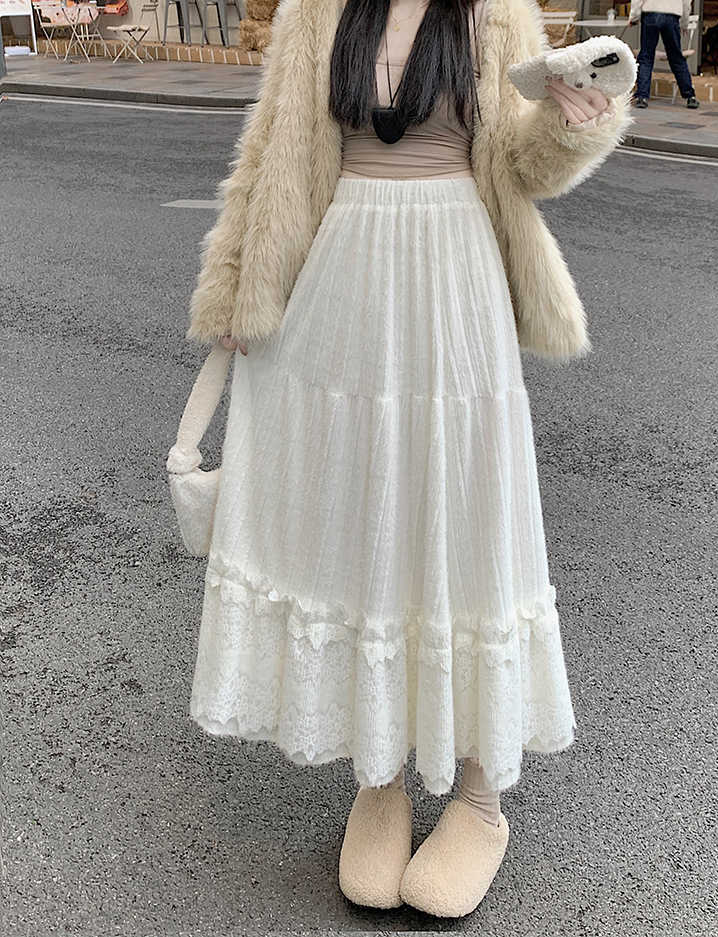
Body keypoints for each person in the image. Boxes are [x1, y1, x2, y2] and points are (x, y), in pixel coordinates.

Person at [183, 0, 630, 918]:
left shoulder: (491, 11)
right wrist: (235, 287)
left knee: (467, 515)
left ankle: (481, 800)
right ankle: (379, 775)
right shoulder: (320, 11)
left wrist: (574, 120)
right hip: (341, 284)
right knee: (360, 518)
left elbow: (524, 165)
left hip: (457, 280)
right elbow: (271, 158)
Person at [629, 0, 698, 108]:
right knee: (676, 57)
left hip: (650, 13)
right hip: (672, 16)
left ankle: (641, 96)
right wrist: (684, 22)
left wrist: (634, 16)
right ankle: (690, 96)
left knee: (646, 57)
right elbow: (686, 3)